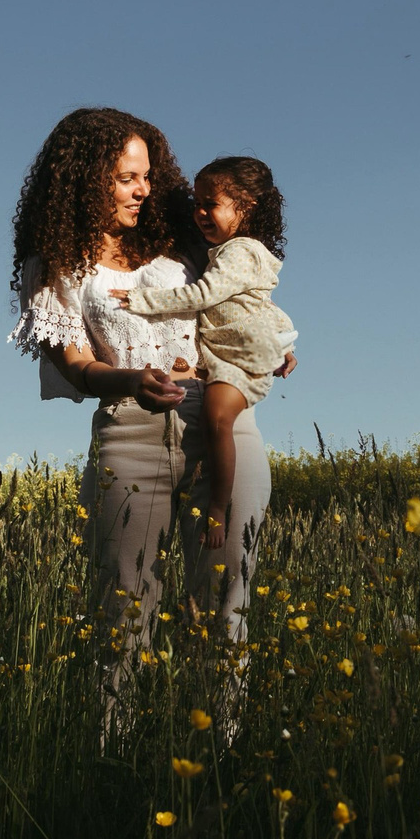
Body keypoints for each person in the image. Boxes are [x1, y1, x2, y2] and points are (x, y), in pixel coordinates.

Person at [8, 109, 292, 720]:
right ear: (84, 180)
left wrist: (272, 342)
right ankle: (117, 759)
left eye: (146, 175)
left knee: (225, 601)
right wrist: (130, 380)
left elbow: (245, 296)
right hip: (129, 435)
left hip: (221, 425)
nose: (144, 189)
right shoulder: (55, 264)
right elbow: (77, 366)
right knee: (124, 606)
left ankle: (221, 750)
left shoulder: (183, 243)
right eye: (125, 178)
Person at [113, 156, 294, 547]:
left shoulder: (240, 251)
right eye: (196, 203)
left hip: (236, 362)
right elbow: (259, 303)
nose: (199, 213)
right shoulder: (228, 251)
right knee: (217, 421)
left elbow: (203, 296)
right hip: (233, 356)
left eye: (210, 204)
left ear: (246, 208)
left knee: (216, 421)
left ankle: (217, 506)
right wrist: (285, 343)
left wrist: (142, 300)